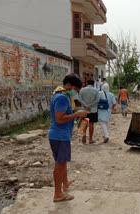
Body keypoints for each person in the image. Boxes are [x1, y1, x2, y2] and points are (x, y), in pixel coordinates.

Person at [48, 73, 87, 202]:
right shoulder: (62, 98)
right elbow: (59, 119)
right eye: (75, 89)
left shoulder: (62, 95)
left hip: (62, 135)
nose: (75, 92)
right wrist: (77, 114)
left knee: (63, 162)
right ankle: (58, 194)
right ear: (68, 85)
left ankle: (65, 183)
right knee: (59, 164)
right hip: (59, 135)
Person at [78, 79, 100, 144]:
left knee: (84, 122)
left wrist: (85, 105)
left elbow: (79, 98)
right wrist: (90, 105)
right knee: (91, 124)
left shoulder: (82, 90)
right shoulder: (96, 91)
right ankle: (90, 139)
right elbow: (97, 100)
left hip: (84, 110)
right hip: (93, 110)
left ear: (87, 83)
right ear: (93, 84)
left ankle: (84, 134)